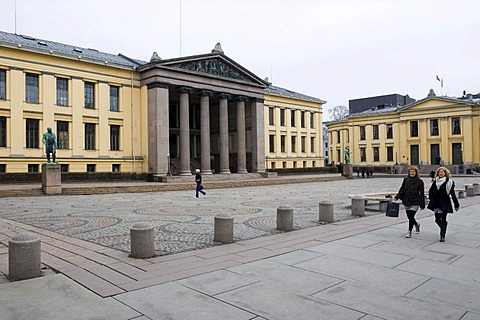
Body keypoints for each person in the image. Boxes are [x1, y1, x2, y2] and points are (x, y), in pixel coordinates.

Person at [427, 166, 460, 242]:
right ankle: (443, 228)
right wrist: (431, 198)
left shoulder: (449, 182)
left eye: (442, 172)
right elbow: (431, 191)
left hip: (444, 202)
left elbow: (452, 194)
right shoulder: (435, 181)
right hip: (436, 202)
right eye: (439, 172)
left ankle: (442, 235)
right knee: (437, 219)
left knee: (443, 218)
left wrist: (456, 204)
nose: (440, 173)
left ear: (445, 173)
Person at [394, 166, 425, 238]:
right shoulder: (406, 179)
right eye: (410, 171)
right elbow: (402, 189)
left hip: (415, 201)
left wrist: (422, 204)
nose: (412, 173)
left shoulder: (419, 181)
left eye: (413, 171)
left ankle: (409, 231)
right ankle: (416, 224)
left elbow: (422, 193)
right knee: (410, 217)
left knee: (411, 216)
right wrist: (397, 197)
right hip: (406, 200)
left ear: (416, 172)